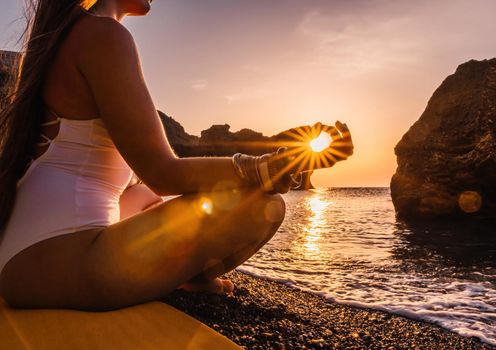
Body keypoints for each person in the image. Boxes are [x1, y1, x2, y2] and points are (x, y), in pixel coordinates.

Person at [0, 0, 353, 311]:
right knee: (262, 208)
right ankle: (187, 278)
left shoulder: (73, 33)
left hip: (30, 251)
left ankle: (182, 275)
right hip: (51, 261)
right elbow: (164, 172)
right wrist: (269, 168)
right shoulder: (103, 35)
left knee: (147, 197)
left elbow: (153, 186)